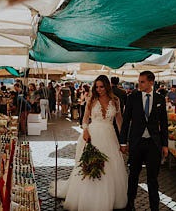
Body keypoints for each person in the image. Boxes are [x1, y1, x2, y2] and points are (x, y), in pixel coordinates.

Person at [55, 75, 128, 210]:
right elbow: (84, 118)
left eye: (102, 86)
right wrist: (85, 130)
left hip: (110, 135)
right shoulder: (92, 99)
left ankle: (108, 198)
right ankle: (88, 198)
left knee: (110, 165)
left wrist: (123, 141)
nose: (99, 89)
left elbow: (119, 121)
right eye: (97, 87)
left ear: (107, 86)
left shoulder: (115, 100)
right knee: (90, 164)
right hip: (93, 134)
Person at [120, 71, 168, 211]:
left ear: (151, 82)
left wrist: (164, 144)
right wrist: (123, 142)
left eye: (142, 81)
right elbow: (125, 120)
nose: (139, 84)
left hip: (153, 144)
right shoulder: (133, 97)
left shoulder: (160, 99)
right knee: (133, 175)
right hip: (136, 143)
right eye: (139, 81)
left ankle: (155, 207)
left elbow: (164, 124)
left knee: (153, 179)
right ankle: (130, 205)